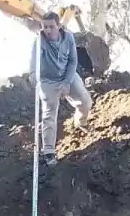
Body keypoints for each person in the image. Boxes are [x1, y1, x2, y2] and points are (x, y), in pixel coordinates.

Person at [29, 11, 92, 166]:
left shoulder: (69, 37)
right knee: (49, 114)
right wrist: (33, 76)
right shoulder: (39, 40)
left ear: (59, 26)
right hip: (47, 81)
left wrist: (66, 83)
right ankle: (49, 152)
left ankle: (80, 121)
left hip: (67, 75)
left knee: (86, 102)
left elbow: (72, 61)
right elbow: (33, 61)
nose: (48, 30)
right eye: (45, 27)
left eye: (51, 26)